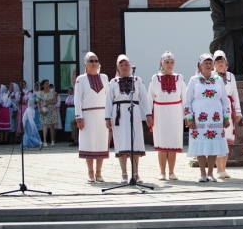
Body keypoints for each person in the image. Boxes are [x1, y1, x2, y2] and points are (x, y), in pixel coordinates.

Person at [105, 55, 153, 184]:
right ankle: (124, 174)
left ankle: (136, 173)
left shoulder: (137, 80)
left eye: (126, 64)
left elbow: (144, 98)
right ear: (117, 67)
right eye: (121, 65)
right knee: (122, 143)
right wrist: (107, 117)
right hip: (119, 115)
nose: (124, 67)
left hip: (134, 114)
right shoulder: (113, 82)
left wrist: (148, 114)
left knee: (135, 142)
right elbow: (109, 100)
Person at [184, 53, 231, 183]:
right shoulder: (194, 80)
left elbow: (225, 100)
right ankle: (202, 173)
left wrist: (226, 117)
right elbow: (187, 101)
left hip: (215, 118)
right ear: (200, 65)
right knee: (200, 145)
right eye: (206, 63)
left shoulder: (218, 80)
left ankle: (211, 173)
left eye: (211, 63)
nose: (209, 65)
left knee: (213, 145)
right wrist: (189, 118)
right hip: (199, 117)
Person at [148, 51, 187, 181]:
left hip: (175, 112)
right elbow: (150, 97)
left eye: (172, 62)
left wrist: (186, 116)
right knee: (162, 142)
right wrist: (149, 115)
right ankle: (162, 172)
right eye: (167, 62)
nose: (170, 65)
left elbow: (184, 98)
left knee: (173, 142)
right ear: (162, 63)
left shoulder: (179, 78)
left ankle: (171, 172)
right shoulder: (155, 78)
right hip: (160, 113)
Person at [74, 52, 109, 182]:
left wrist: (109, 116)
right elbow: (77, 100)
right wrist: (79, 117)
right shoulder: (81, 79)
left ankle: (99, 172)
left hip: (102, 115)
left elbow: (108, 97)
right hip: (87, 115)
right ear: (86, 63)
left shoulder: (104, 78)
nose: (94, 63)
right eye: (91, 61)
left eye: (96, 61)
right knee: (88, 143)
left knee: (101, 142)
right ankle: (90, 172)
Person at [213, 50, 242, 180]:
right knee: (217, 139)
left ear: (226, 63)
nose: (220, 63)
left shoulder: (231, 76)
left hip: (228, 110)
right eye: (218, 61)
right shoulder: (211, 76)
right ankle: (218, 169)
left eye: (222, 61)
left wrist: (238, 111)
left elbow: (235, 93)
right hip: (214, 110)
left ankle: (223, 169)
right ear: (214, 63)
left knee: (226, 140)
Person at [37, 80, 58, 148]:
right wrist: (39, 109)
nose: (48, 84)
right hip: (44, 110)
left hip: (51, 109)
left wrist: (49, 103)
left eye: (48, 83)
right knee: (45, 124)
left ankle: (52, 140)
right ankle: (45, 141)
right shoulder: (40, 93)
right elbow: (38, 102)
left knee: (52, 125)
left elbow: (55, 101)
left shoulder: (52, 91)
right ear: (43, 85)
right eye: (46, 83)